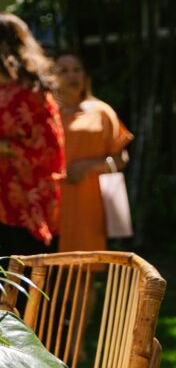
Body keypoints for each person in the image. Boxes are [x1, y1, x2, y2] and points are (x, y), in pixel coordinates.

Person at [0, 13, 64, 257]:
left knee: (28, 285)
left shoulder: (33, 91)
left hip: (27, 203)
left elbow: (49, 150)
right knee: (0, 282)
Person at [55, 52, 133, 253]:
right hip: (52, 205)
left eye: (76, 70)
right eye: (63, 71)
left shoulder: (101, 111)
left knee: (84, 272)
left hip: (89, 205)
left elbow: (122, 157)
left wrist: (88, 166)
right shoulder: (44, 113)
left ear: (85, 75)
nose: (72, 76)